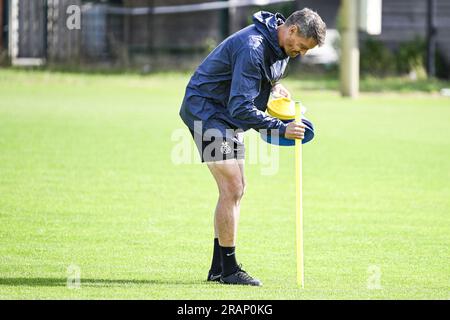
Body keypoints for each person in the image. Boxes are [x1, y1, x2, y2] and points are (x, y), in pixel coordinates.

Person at [179, 8, 326, 286]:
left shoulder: (282, 49)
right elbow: (241, 105)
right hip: (206, 111)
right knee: (232, 187)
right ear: (292, 30)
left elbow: (258, 83)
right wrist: (282, 127)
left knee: (236, 188)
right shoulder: (253, 47)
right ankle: (230, 271)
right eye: (303, 46)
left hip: (226, 114)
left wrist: (273, 91)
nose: (303, 53)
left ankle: (218, 268)